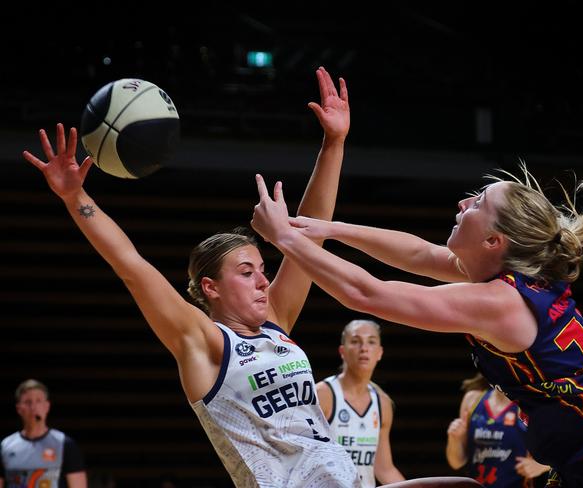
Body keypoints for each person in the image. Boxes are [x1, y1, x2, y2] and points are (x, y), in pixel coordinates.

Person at [22, 66, 363, 488]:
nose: (262, 281)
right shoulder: (204, 342)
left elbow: (309, 236)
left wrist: (334, 143)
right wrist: (76, 197)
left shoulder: (276, 324)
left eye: (263, 270)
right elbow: (132, 267)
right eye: (246, 272)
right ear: (210, 287)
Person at [251, 165, 583, 487]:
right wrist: (326, 229)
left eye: (477, 204)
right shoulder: (512, 279)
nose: (462, 202)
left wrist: (285, 237)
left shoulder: (499, 303)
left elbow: (368, 294)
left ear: (494, 241)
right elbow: (420, 254)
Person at [317, 319, 405, 487]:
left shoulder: (382, 403)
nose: (364, 348)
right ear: (342, 351)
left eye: (371, 342)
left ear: (379, 352)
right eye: (356, 341)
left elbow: (384, 469)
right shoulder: (324, 394)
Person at [446, 373, 549, 487]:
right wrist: (455, 438)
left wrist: (542, 466)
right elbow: (456, 463)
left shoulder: (531, 403)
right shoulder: (472, 399)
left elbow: (565, 450)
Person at [0, 379, 87, 488]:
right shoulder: (5, 446)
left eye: (38, 401)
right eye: (27, 402)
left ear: (47, 406)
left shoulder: (64, 444)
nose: (33, 407)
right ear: (19, 408)